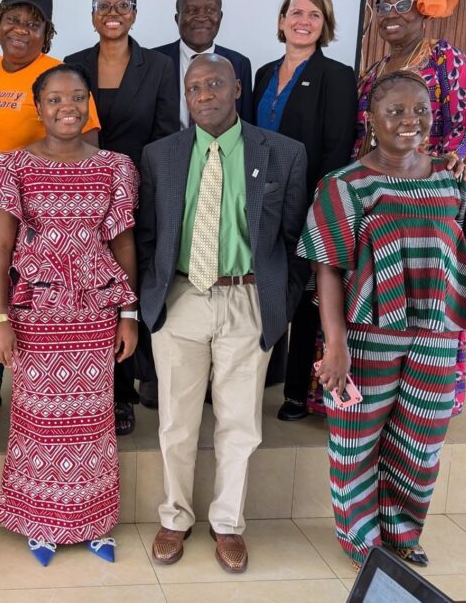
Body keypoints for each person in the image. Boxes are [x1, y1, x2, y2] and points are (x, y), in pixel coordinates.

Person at [297, 70, 466, 569]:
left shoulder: (450, 180)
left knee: (421, 442)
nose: (411, 121)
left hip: (436, 337)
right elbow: (328, 268)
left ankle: (403, 533)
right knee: (355, 442)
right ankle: (363, 542)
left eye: (421, 111)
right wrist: (334, 344)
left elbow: (465, 253)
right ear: (371, 119)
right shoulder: (344, 184)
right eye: (396, 111)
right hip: (365, 339)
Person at [0, 64, 138, 567]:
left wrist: (130, 314)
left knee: (92, 420)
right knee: (39, 422)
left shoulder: (114, 167)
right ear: (39, 108)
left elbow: (122, 244)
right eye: (55, 99)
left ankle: (94, 521)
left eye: (77, 98)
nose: (67, 108)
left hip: (96, 312)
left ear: (88, 103)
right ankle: (42, 521)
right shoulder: (13, 167)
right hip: (35, 313)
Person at [137, 55, 308, 574]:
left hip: (247, 299)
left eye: (214, 84)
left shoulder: (282, 153)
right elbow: (148, 236)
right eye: (194, 88)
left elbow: (297, 242)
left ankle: (228, 523)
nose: (204, 95)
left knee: (239, 422)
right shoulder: (159, 155)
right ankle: (175, 516)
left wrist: (279, 303)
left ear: (236, 87)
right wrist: (152, 299)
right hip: (182, 297)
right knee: (175, 423)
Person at [0, 0, 101, 424]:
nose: (21, 28)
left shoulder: (57, 77)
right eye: (14, 18)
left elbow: (86, 141)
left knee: (0, 291)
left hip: (22, 211)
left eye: (33, 23)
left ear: (46, 33)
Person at [350, 0, 466, 418]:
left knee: (428, 295)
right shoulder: (371, 73)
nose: (391, 15)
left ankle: (429, 394)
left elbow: (465, 126)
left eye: (403, 4)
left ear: (425, 7)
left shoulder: (446, 58)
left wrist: (451, 161)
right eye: (382, 8)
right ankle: (366, 388)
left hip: (427, 196)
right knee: (372, 289)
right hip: (376, 201)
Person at [64, 0, 177, 434]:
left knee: (129, 288)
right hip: (82, 198)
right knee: (90, 294)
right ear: (92, 13)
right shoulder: (72, 64)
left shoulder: (159, 67)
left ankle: (126, 388)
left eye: (123, 4)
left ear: (135, 12)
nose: (113, 12)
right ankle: (95, 386)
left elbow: (166, 136)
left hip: (137, 196)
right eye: (104, 4)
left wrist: (137, 194)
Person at [252, 0, 357, 421]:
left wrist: (319, 202)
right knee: (263, 292)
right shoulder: (261, 74)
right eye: (296, 12)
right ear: (281, 20)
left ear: (324, 25)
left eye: (314, 14)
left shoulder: (336, 75)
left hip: (310, 201)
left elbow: (336, 147)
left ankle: (296, 392)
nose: (303, 21)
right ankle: (256, 382)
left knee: (307, 296)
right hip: (260, 203)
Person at [154, 0, 253, 128]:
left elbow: (245, 125)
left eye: (210, 10)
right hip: (165, 149)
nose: (201, 17)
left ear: (220, 16)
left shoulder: (239, 64)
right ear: (177, 19)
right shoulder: (155, 61)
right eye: (191, 10)